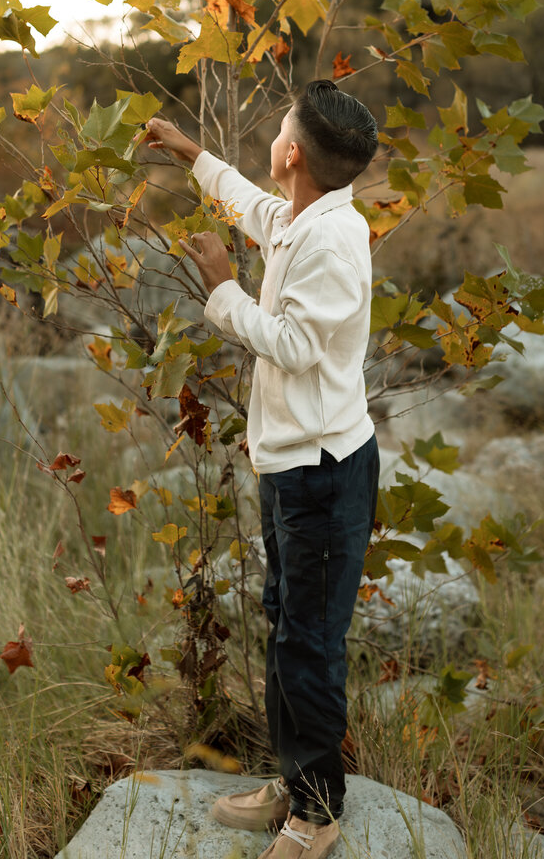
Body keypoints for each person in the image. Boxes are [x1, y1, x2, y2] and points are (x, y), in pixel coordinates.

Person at [145, 80, 380, 859]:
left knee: (310, 642)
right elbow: (253, 205)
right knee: (289, 630)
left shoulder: (335, 243)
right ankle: (294, 782)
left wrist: (221, 289)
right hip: (292, 465)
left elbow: (293, 344)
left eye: (279, 131)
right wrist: (193, 156)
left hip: (322, 471)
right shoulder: (302, 216)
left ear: (290, 153)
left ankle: (316, 814)